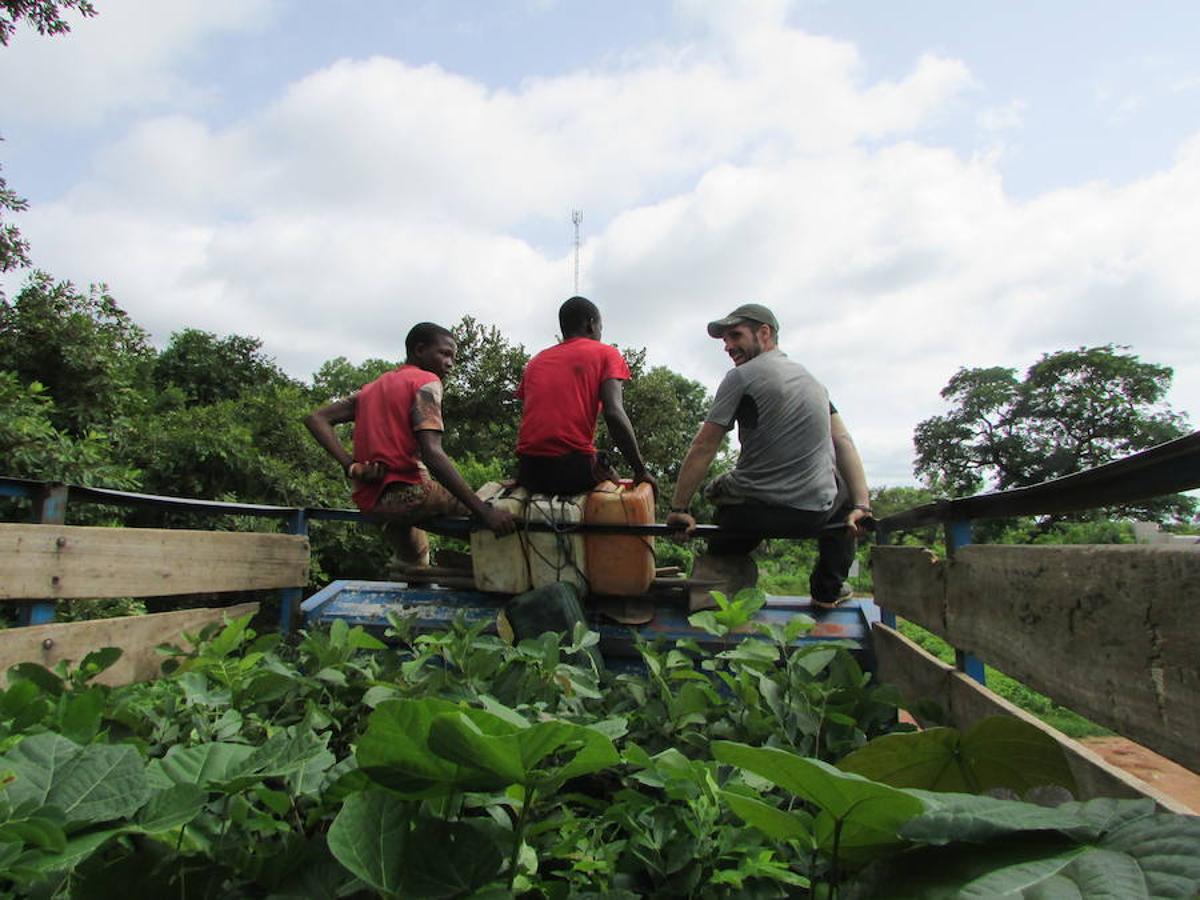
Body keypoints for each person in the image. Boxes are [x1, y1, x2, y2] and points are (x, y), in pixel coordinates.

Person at [665, 303, 872, 609]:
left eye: (735, 336)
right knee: (841, 496)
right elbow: (842, 441)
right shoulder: (815, 384)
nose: (729, 346)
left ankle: (717, 593)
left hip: (752, 514)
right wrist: (862, 506)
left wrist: (679, 507)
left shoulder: (741, 377)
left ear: (765, 333)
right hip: (811, 515)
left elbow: (704, 445)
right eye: (725, 341)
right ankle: (828, 589)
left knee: (721, 496)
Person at [305, 321, 516, 568]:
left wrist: (350, 466)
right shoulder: (425, 383)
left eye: (453, 357)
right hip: (413, 494)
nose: (450, 363)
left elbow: (316, 418)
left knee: (414, 559)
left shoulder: (371, 389)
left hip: (373, 503)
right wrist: (484, 512)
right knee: (493, 511)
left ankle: (418, 572)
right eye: (444, 353)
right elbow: (433, 454)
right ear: (419, 350)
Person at [515, 296, 657, 497]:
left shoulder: (536, 361)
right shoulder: (606, 353)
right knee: (620, 490)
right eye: (601, 327)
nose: (600, 333)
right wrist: (641, 471)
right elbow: (614, 413)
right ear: (591, 325)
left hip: (528, 471)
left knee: (599, 461)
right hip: (573, 469)